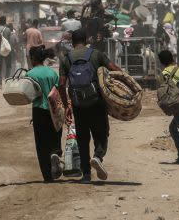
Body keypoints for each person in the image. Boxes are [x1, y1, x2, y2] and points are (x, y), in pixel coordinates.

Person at [58, 28, 122, 182]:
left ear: (72, 42)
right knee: (101, 132)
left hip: (78, 104)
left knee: (82, 138)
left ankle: (86, 174)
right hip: (97, 102)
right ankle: (98, 156)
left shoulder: (66, 58)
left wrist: (67, 104)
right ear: (86, 40)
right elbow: (114, 68)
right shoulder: (96, 54)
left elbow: (61, 84)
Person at [26, 45, 63, 182]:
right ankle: (55, 152)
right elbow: (58, 91)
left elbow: (27, 95)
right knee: (55, 136)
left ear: (33, 58)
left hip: (38, 111)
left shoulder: (30, 74)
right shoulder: (52, 73)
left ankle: (47, 176)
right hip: (54, 109)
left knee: (41, 144)